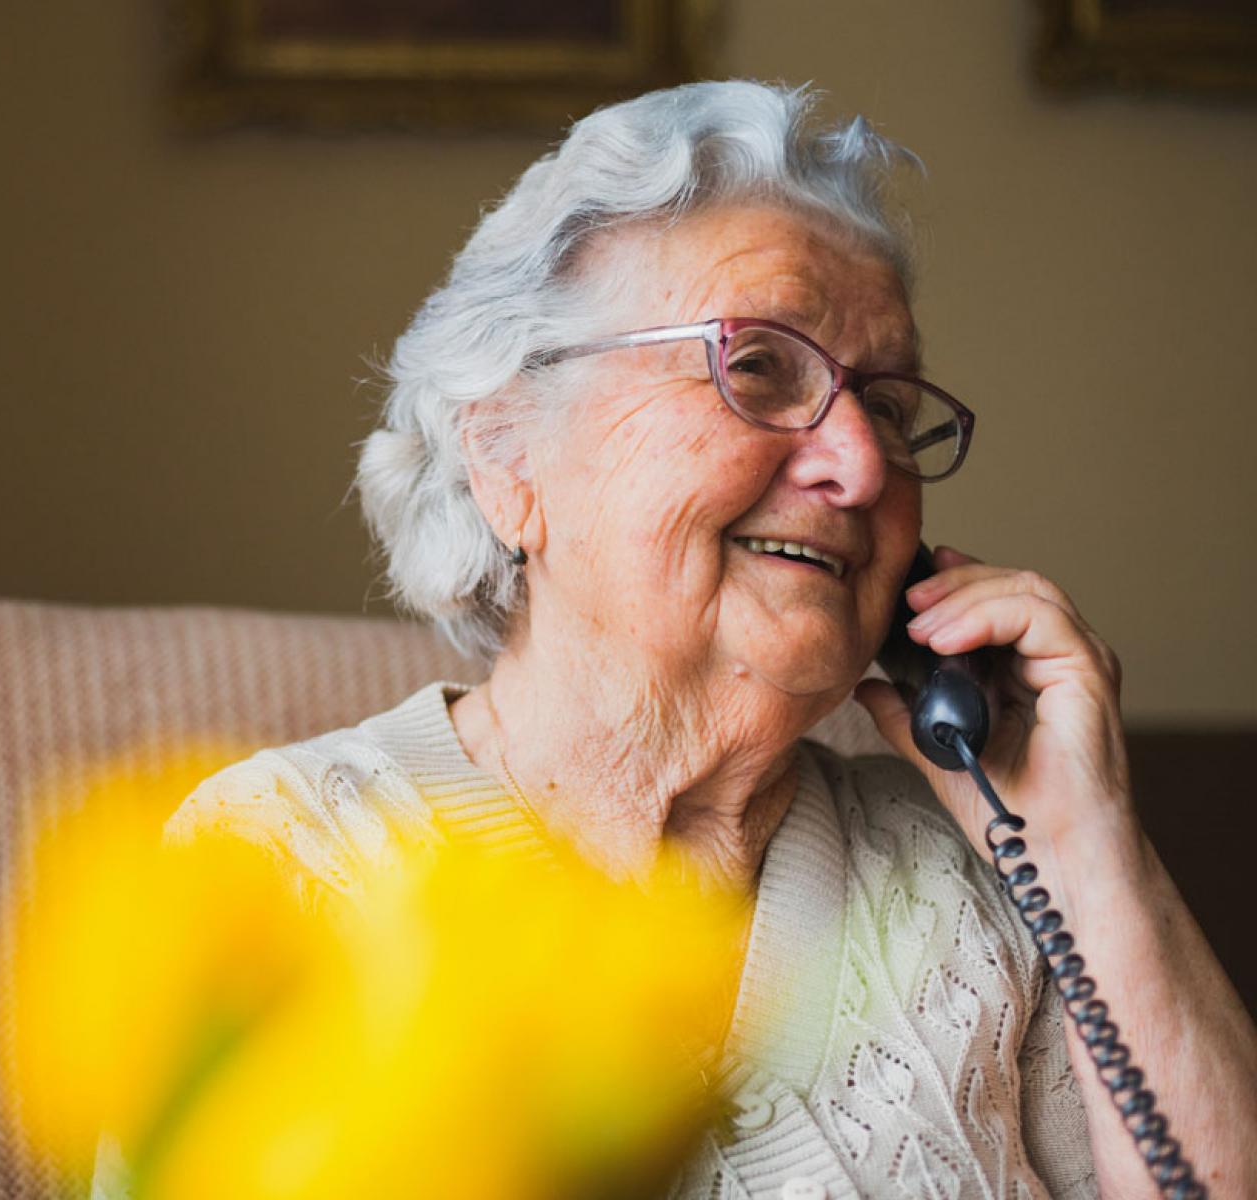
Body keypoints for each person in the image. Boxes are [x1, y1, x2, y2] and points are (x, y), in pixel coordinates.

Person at [98, 81, 1257, 1198]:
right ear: (506, 455)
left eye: (891, 411)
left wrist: (1084, 848)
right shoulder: (281, 871)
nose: (858, 465)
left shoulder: (982, 872)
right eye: (757, 367)